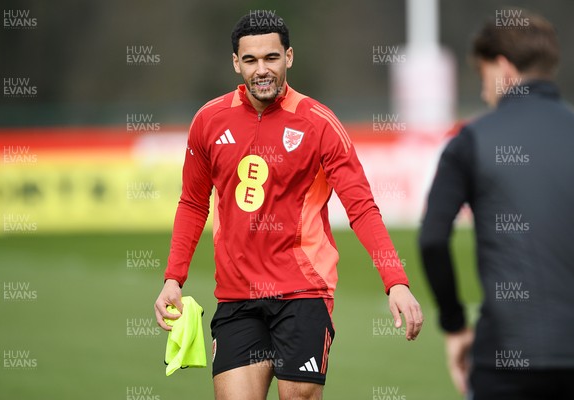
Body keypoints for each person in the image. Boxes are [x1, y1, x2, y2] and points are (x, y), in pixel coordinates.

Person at [155, 12, 423, 400]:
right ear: (236, 63)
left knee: (297, 392)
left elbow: (362, 207)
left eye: (271, 58)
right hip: (237, 296)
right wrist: (172, 278)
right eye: (250, 60)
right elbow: (194, 202)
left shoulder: (319, 124)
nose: (261, 70)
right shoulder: (208, 121)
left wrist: (395, 282)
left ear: (289, 57)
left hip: (303, 290)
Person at [419, 10, 574, 400]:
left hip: (505, 357)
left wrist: (454, 325)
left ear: (503, 68)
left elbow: (433, 239)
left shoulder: (471, 141)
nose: (485, 90)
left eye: (483, 74)